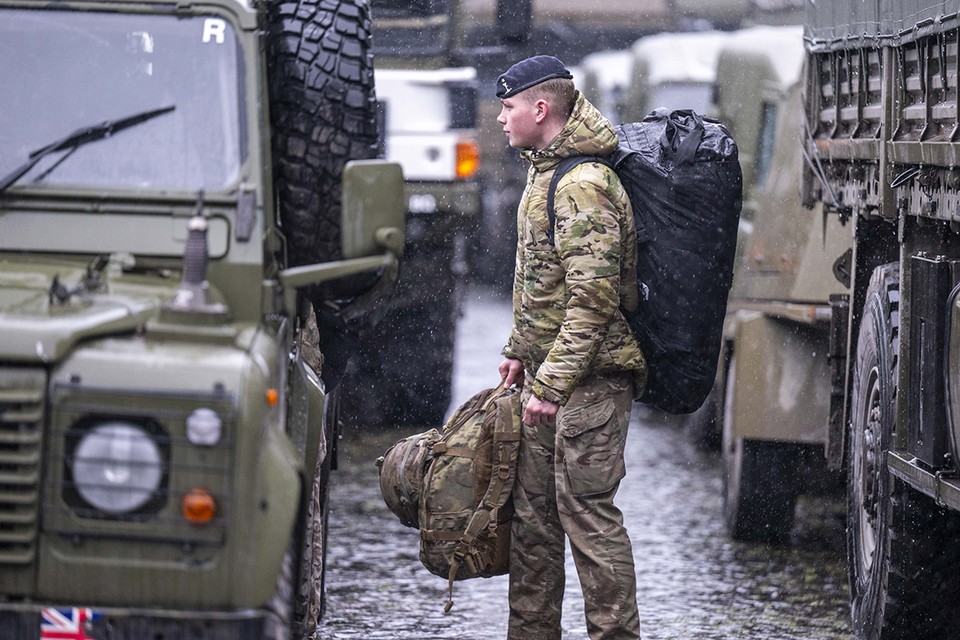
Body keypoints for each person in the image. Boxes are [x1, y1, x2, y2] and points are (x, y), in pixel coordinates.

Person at [495, 55, 647, 640]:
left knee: (589, 521)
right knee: (534, 526)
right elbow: (543, 280)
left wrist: (553, 383)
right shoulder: (543, 172)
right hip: (547, 379)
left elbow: (594, 301)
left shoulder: (583, 184)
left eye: (509, 108)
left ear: (540, 109)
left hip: (592, 383)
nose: (501, 119)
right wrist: (518, 348)